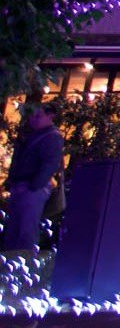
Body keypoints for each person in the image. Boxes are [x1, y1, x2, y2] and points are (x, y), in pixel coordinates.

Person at [3, 105, 65, 252]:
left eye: (38, 116)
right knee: (16, 227)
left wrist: (34, 185)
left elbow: (50, 163)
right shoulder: (32, 135)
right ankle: (13, 262)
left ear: (50, 116)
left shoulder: (51, 137)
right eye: (32, 116)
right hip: (23, 185)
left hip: (31, 187)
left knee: (25, 228)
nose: (33, 120)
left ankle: (22, 262)